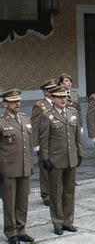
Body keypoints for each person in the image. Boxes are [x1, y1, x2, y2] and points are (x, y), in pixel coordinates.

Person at [38, 85, 83, 235]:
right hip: (56, 160)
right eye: (59, 97)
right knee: (56, 193)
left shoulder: (72, 112)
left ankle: (68, 221)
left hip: (71, 158)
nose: (63, 99)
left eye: (64, 97)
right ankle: (57, 223)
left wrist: (79, 153)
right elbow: (43, 140)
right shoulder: (46, 116)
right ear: (53, 98)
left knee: (69, 192)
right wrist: (45, 158)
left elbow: (77, 136)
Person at [0, 89, 35, 244]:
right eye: (13, 102)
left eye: (18, 101)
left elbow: (29, 143)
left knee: (22, 201)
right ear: (5, 104)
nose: (17, 104)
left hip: (24, 166)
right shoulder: (1, 122)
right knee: (9, 201)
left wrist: (30, 163)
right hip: (8, 169)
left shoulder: (25, 118)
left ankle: (21, 230)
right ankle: (11, 231)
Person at [31, 78, 56, 206]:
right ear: (46, 92)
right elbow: (34, 126)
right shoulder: (39, 106)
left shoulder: (59, 104)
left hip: (57, 144)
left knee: (56, 169)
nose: (54, 92)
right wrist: (35, 144)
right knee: (45, 170)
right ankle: (46, 195)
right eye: (52, 90)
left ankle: (56, 193)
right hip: (44, 143)